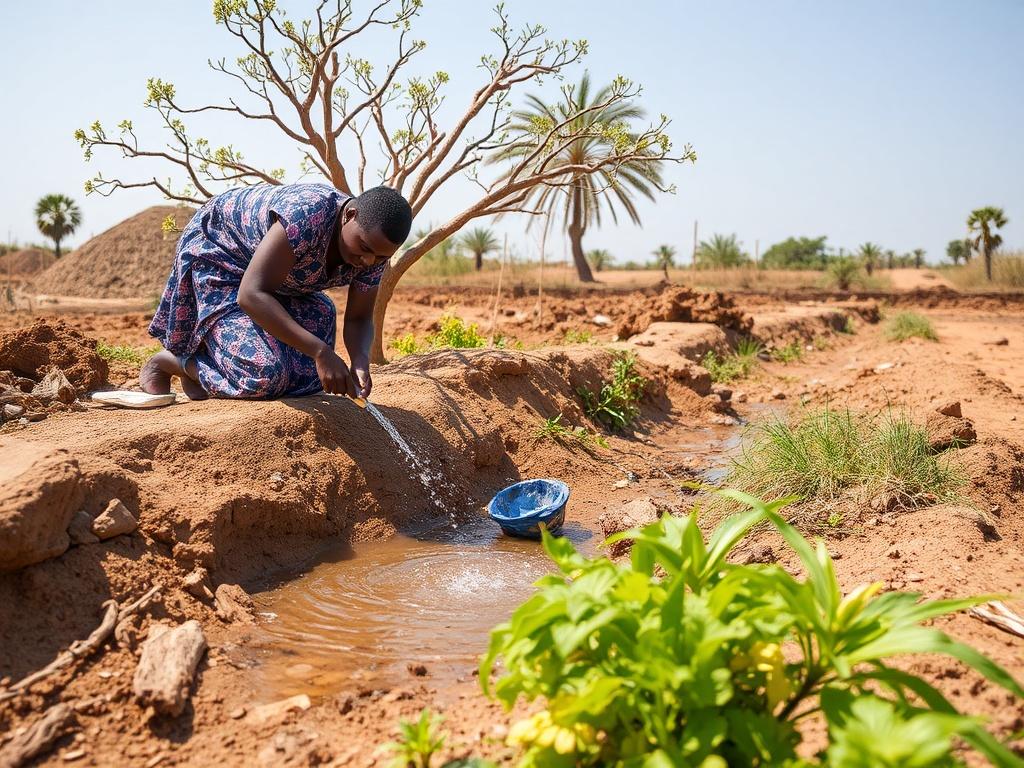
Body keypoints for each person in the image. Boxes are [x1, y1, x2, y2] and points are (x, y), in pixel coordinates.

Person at [140, 183, 412, 401]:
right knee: (265, 376)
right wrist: (320, 351)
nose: (368, 262)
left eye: (380, 257)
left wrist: (360, 360)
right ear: (349, 216)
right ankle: (178, 362)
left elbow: (358, 319)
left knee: (314, 377)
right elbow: (251, 294)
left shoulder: (374, 253)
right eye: (364, 249)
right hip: (223, 260)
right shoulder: (307, 215)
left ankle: (212, 369)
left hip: (274, 279)